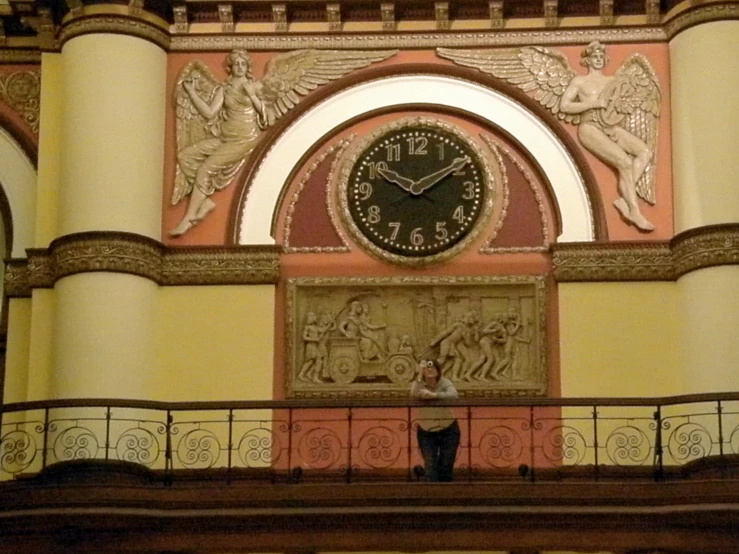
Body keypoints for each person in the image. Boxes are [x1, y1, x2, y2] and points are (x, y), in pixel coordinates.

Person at [559, 41, 655, 232]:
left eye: (601, 57)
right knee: (625, 163)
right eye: (595, 57)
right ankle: (633, 210)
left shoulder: (612, 82)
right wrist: (592, 104)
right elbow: (565, 106)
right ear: (587, 60)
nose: (599, 60)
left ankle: (625, 196)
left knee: (645, 152)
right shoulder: (580, 82)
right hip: (590, 127)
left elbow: (620, 104)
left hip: (611, 125)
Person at [170, 49, 267, 236]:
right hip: (225, 137)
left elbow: (266, 115)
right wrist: (191, 93)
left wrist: (253, 96)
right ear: (230, 67)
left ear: (247, 67)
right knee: (185, 156)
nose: (239, 67)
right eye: (236, 64)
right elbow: (209, 113)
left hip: (244, 138)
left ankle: (189, 218)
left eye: (243, 64)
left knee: (205, 169)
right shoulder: (224, 89)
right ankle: (204, 199)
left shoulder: (255, 86)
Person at [410, 359, 460, 482]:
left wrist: (435, 395)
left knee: (446, 466)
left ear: (438, 371)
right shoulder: (420, 383)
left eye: (432, 367)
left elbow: (453, 394)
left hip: (448, 429)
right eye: (427, 368)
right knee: (431, 468)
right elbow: (413, 393)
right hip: (427, 431)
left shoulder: (444, 382)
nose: (430, 369)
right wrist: (420, 375)